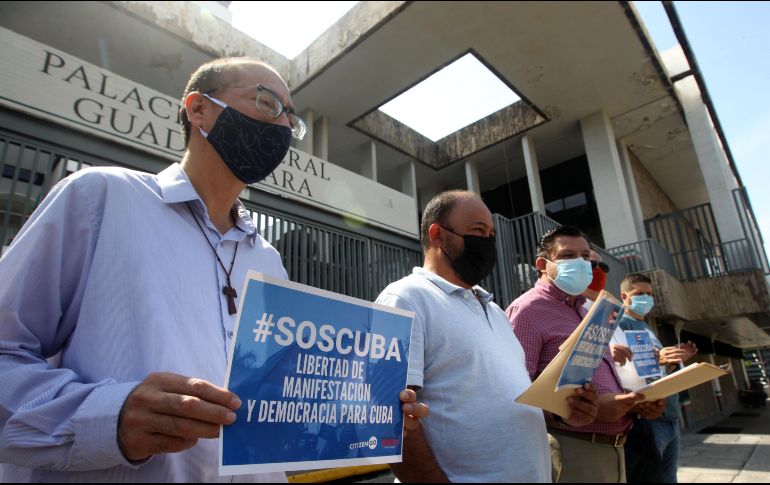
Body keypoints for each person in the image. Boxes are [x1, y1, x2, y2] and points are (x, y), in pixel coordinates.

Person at [0, 57, 427, 482]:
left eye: (291, 119)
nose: (281, 127)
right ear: (198, 108)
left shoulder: (268, 260)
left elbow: (277, 409)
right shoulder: (101, 199)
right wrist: (108, 418)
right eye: (266, 102)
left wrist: (361, 409)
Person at [375, 191, 599, 483]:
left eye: (491, 234)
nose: (488, 242)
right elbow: (388, 419)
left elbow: (508, 402)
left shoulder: (494, 311)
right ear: (437, 234)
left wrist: (562, 412)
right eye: (478, 231)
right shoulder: (405, 298)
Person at [507, 226, 665, 483]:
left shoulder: (587, 310)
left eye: (585, 257)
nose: (580, 264)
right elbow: (515, 395)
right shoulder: (527, 310)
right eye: (568, 255)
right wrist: (575, 412)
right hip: (573, 449)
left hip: (618, 447)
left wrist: (634, 403)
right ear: (542, 264)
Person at [617, 273, 697, 483]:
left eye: (649, 294)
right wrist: (658, 358)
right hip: (650, 419)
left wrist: (673, 360)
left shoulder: (646, 327)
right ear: (624, 296)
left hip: (670, 416)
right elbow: (624, 368)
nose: (646, 298)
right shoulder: (622, 325)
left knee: (668, 478)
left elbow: (655, 372)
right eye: (639, 293)